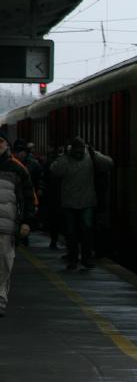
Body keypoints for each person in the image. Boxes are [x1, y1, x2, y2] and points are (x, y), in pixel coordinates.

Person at [49, 137, 113, 270]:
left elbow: (54, 170)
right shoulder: (90, 156)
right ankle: (85, 258)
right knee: (86, 231)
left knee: (72, 232)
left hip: (71, 201)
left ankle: (73, 259)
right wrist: (94, 153)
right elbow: (109, 164)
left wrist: (64, 156)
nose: (79, 153)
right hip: (86, 201)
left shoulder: (69, 158)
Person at [0, 132, 35, 317]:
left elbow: (29, 198)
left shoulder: (18, 169)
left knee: (4, 264)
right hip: (7, 225)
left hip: (7, 227)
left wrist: (27, 222)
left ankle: (0, 301)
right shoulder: (17, 168)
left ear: (7, 145)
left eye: (1, 141)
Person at [12, 140, 43, 247]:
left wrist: (38, 189)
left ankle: (24, 236)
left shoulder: (32, 164)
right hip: (15, 194)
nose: (20, 154)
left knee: (24, 215)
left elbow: (38, 178)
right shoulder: (11, 163)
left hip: (25, 193)